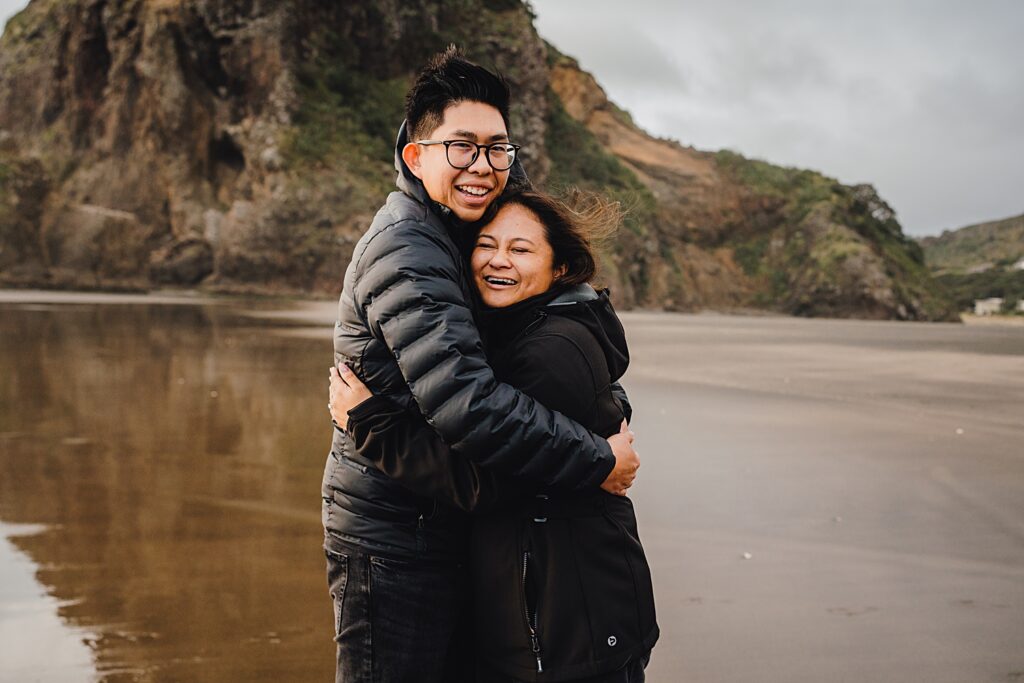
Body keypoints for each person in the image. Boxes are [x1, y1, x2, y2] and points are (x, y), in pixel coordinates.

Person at [322, 47, 640, 683]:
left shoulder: (459, 227)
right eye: (462, 146)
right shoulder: (409, 251)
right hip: (393, 538)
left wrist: (608, 405)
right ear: (416, 154)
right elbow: (472, 406)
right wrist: (599, 458)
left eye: (498, 148)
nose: (483, 165)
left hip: (441, 520)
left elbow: (551, 353)